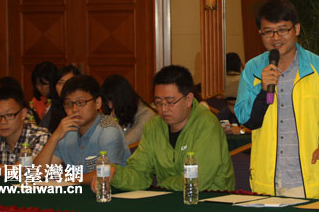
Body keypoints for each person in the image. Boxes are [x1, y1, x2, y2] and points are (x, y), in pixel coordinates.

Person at [234, 0, 319, 199]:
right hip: (267, 183)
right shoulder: (253, 70)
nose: (275, 38)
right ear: (260, 33)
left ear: (296, 29)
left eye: (282, 30)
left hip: (310, 181)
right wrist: (261, 89)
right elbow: (246, 120)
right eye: (268, 32)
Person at [95, 65, 235, 192]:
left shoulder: (207, 124)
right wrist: (114, 173)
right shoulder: (154, 126)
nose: (163, 109)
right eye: (158, 102)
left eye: (170, 102)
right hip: (170, 200)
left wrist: (161, 186)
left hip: (210, 200)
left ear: (188, 99)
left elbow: (197, 180)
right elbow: (139, 174)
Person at [34, 75, 130, 176]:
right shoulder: (67, 130)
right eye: (68, 104)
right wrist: (54, 137)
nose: (74, 109)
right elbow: (37, 173)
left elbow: (107, 173)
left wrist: (68, 177)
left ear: (97, 103)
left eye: (80, 102)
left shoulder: (109, 128)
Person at [100, 74, 156, 145]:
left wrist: (112, 120)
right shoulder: (124, 111)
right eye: (107, 101)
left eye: (112, 101)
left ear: (122, 98)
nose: (110, 106)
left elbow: (122, 145)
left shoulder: (147, 117)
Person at [41, 64, 80, 133]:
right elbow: (41, 131)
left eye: (69, 82)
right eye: (60, 83)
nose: (65, 87)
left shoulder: (82, 107)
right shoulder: (55, 107)